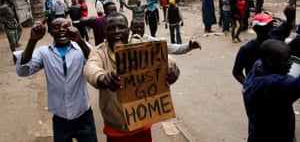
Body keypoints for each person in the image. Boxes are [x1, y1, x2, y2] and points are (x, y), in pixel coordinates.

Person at [83, 12, 180, 142]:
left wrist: (170, 66)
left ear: (128, 30)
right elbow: (90, 68)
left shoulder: (139, 44)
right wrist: (101, 78)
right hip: (116, 129)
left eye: (121, 27)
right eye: (111, 29)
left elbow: (162, 58)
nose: (116, 32)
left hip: (142, 125)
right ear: (105, 33)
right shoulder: (99, 52)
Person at [14, 18, 98, 142]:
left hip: (83, 114)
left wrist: (80, 40)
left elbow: (94, 62)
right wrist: (33, 40)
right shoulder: (44, 52)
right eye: (56, 28)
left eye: (66, 27)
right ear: (50, 32)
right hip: (60, 117)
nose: (62, 30)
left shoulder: (81, 47)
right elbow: (23, 70)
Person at [242, 39, 300, 142]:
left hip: (257, 133)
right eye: (286, 60)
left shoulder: (258, 66)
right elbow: (296, 86)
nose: (290, 64)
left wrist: (286, 25)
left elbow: (272, 39)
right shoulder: (272, 84)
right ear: (270, 61)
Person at [232, 6, 295, 85]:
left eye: (270, 25)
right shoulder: (246, 49)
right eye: (265, 26)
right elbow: (237, 72)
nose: (269, 28)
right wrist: (248, 85)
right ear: (255, 29)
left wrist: (289, 18)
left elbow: (285, 27)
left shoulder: (275, 38)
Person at [130, 19, 201, 54]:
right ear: (131, 28)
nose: (139, 29)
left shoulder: (148, 40)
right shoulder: (126, 40)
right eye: (136, 27)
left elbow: (170, 48)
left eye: (141, 27)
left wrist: (188, 46)